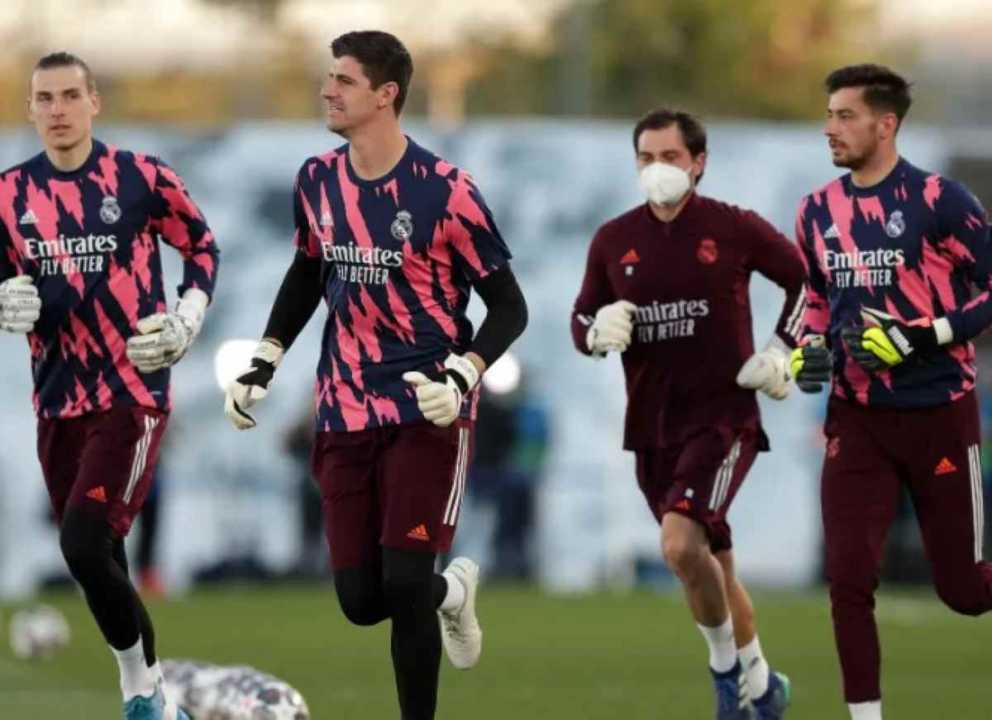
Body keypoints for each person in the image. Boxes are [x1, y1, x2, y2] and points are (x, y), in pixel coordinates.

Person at [222, 31, 527, 720]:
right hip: (342, 410)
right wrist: (265, 358)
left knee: (404, 577)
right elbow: (307, 271)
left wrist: (463, 376)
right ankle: (454, 593)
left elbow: (510, 306)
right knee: (362, 601)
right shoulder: (317, 179)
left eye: (344, 80)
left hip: (427, 414)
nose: (328, 90)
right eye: (328, 77)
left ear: (386, 95)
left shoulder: (447, 192)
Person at [0, 52, 219, 720]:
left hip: (132, 390)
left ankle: (141, 695)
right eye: (45, 98)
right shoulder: (8, 195)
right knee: (101, 558)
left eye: (71, 95)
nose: (58, 109)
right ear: (32, 107)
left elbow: (202, 246)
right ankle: (161, 703)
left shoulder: (140, 178)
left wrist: (188, 314)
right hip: (57, 398)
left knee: (82, 541)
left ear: (94, 101)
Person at [571, 108, 804, 719]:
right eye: (645, 158)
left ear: (698, 162)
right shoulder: (613, 239)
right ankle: (765, 689)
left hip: (723, 421)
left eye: (669, 157)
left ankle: (726, 683)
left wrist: (784, 351)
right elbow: (580, 319)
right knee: (711, 569)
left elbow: (807, 283)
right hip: (651, 429)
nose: (657, 169)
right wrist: (596, 331)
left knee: (678, 546)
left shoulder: (734, 228)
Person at [790, 63, 992, 720]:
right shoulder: (817, 211)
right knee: (848, 580)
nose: (831, 128)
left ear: (887, 123)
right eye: (828, 114)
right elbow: (814, 301)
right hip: (857, 418)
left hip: (939, 414)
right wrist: (807, 353)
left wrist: (922, 335)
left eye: (845, 115)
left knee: (965, 591)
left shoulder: (941, 200)